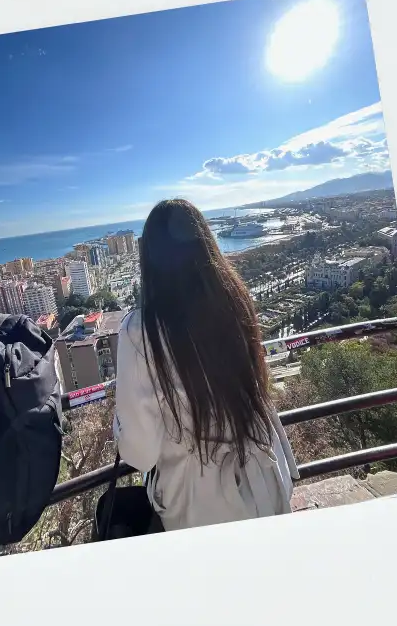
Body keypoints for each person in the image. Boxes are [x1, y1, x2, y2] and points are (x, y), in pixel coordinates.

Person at [112, 199, 298, 531]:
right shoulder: (234, 298)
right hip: (268, 480)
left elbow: (141, 455)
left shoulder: (142, 332)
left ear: (150, 258)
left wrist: (119, 425)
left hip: (204, 507)